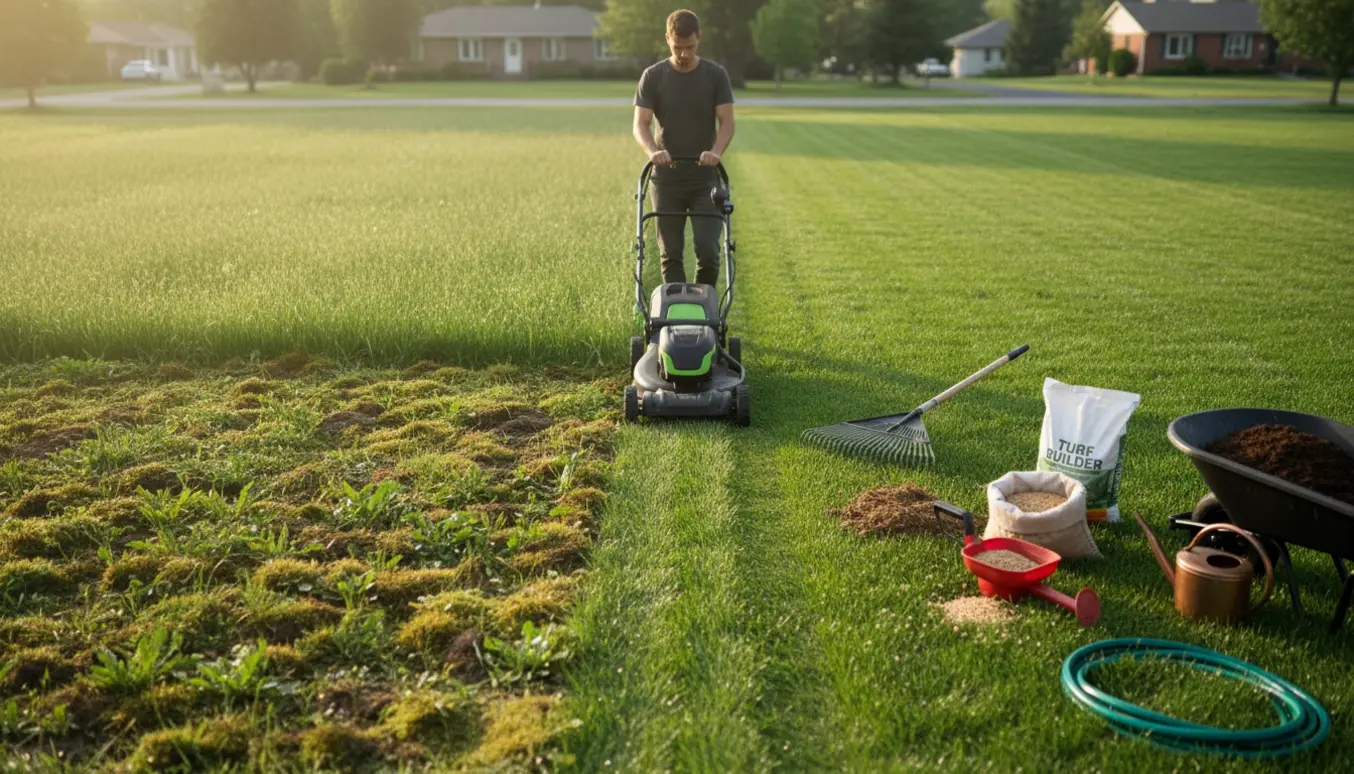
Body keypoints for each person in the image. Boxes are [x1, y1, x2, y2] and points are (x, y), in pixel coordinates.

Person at [632, 9, 735, 288]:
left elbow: (727, 122)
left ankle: (707, 312)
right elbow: (640, 125)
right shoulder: (652, 76)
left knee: (709, 251)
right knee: (671, 255)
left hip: (705, 180)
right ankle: (676, 316)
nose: (684, 54)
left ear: (699, 38)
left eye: (690, 46)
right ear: (667, 38)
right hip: (667, 180)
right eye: (678, 47)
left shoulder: (715, 75)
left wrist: (716, 151)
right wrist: (653, 152)